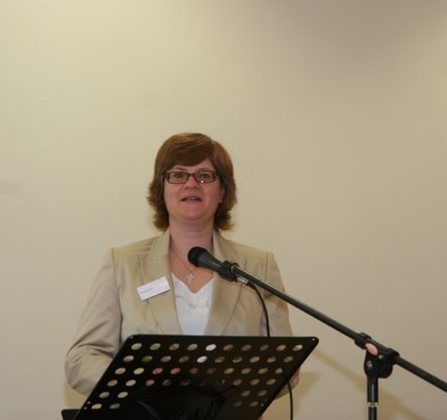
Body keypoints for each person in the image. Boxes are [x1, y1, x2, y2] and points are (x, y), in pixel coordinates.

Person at [65, 132, 297, 397]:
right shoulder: (123, 263)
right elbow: (82, 359)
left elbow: (284, 366)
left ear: (221, 191)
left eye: (204, 175)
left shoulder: (257, 266)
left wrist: (225, 382)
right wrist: (141, 383)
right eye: (178, 175)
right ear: (161, 189)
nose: (191, 184)